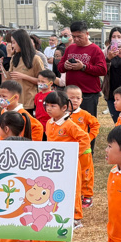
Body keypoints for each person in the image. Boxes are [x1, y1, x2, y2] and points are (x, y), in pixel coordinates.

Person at [41, 91, 88, 229]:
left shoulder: (69, 124)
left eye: (53, 106)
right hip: (54, 163)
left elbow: (84, 139)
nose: (49, 109)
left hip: (70, 163)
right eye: (47, 105)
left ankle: (76, 218)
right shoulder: (49, 123)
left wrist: (73, 153)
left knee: (73, 189)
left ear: (64, 108)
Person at [57, 22, 107, 116]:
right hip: (71, 93)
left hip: (88, 93)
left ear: (87, 34)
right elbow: (60, 67)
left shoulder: (95, 49)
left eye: (79, 36)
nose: (76, 39)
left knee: (87, 120)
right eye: (74, 36)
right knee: (70, 120)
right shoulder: (70, 48)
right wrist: (65, 66)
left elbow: (102, 70)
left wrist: (83, 67)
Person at [65, 86, 100, 207]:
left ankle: (87, 196)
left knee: (85, 174)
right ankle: (73, 194)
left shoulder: (84, 114)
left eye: (78, 98)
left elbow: (95, 124)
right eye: (71, 98)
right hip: (68, 151)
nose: (75, 100)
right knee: (71, 173)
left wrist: (89, 137)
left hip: (83, 151)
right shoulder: (62, 115)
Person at [1, 29, 46, 112]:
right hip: (15, 101)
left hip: (29, 101)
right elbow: (8, 79)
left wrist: (24, 77)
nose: (12, 46)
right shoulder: (14, 58)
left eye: (14, 43)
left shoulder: (35, 59)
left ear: (21, 42)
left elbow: (43, 82)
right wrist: (1, 68)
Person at [104, 26, 121, 123]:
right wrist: (108, 59)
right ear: (110, 39)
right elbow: (102, 71)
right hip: (112, 92)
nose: (116, 39)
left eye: (119, 37)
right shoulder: (106, 52)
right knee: (117, 121)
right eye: (113, 37)